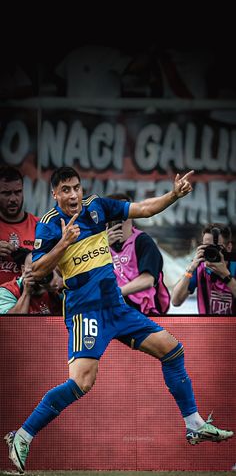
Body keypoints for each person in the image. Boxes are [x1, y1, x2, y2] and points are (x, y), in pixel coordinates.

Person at [4, 167, 233, 473]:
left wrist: (174, 195)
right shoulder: (49, 225)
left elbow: (143, 208)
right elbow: (39, 272)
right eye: (66, 190)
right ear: (55, 194)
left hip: (116, 307)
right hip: (86, 310)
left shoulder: (97, 206)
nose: (73, 195)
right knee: (82, 382)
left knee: (173, 349)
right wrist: (64, 242)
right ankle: (22, 435)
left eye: (76, 188)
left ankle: (194, 425)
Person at [106, 193, 170, 316]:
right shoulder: (100, 245)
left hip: (144, 312)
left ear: (131, 214)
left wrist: (116, 293)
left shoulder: (143, 241)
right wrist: (103, 247)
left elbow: (148, 280)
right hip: (113, 311)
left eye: (122, 212)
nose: (117, 217)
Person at [171, 223, 236, 315]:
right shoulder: (199, 269)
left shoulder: (234, 267)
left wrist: (226, 276)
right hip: (207, 327)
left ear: (229, 247)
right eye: (207, 247)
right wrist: (190, 269)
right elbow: (175, 301)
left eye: (216, 247)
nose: (211, 251)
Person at [0, 166, 39, 285]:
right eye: (6, 193)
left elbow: (53, 269)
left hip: (32, 300)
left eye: (17, 192)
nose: (13, 199)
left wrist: (29, 257)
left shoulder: (40, 226)